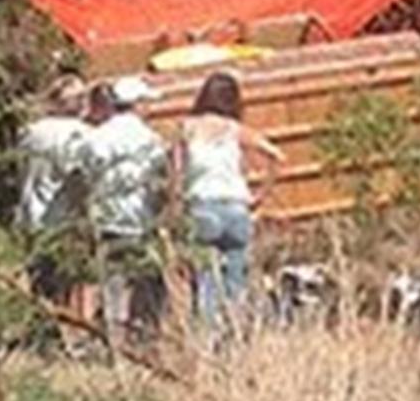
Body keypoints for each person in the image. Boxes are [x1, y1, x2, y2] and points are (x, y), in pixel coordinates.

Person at [173, 71, 284, 336]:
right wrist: (262, 194)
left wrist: (175, 210)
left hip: (202, 207)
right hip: (236, 208)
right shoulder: (236, 130)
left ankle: (205, 340)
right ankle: (234, 338)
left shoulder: (186, 129)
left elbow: (176, 176)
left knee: (205, 281)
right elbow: (276, 155)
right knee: (236, 281)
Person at [78, 75, 170, 346]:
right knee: (148, 285)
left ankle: (113, 342)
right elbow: (160, 181)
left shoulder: (96, 138)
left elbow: (85, 175)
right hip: (140, 221)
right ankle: (144, 339)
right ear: (137, 104)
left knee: (112, 286)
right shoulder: (150, 140)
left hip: (105, 220)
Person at [15, 75, 90, 307]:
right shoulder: (80, 134)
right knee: (67, 290)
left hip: (32, 218)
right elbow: (78, 179)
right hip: (63, 220)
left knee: (39, 289)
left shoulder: (30, 132)